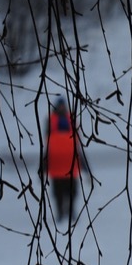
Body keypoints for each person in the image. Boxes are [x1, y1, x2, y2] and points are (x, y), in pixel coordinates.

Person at [43, 95, 84, 223]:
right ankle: (61, 212)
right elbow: (47, 144)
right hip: (56, 164)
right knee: (59, 193)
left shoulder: (71, 120)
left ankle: (71, 212)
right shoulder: (51, 120)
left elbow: (77, 142)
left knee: (72, 192)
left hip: (71, 163)